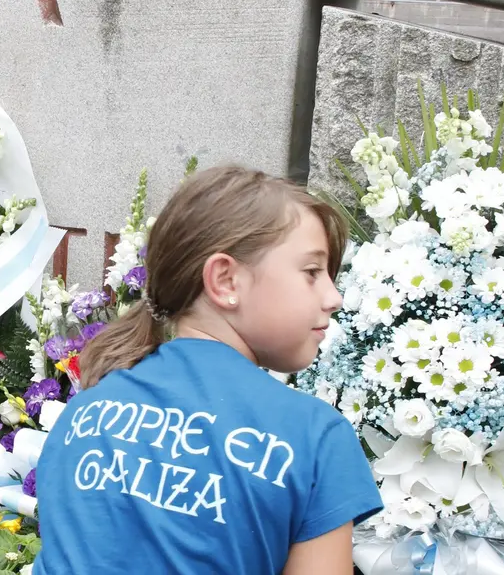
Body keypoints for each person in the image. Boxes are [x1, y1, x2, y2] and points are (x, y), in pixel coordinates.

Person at [33, 166, 381, 575]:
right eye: (311, 272)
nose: (334, 297)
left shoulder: (85, 411)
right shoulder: (315, 437)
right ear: (225, 280)